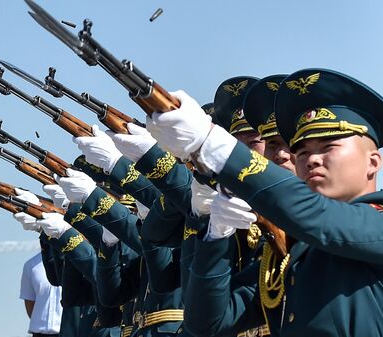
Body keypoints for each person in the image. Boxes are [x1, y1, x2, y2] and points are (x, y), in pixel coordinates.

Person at [147, 68, 383, 336]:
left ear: (373, 162)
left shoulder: (375, 223)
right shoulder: (295, 254)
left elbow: (317, 216)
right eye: (303, 151)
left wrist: (211, 142)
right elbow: (207, 322)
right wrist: (217, 236)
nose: (310, 159)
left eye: (328, 147)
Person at [20, 252, 63, 337]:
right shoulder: (31, 265)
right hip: (40, 332)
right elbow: (29, 302)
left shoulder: (76, 260)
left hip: (69, 331)